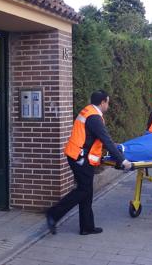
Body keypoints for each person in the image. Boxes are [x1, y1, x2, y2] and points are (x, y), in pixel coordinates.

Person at [46, 90, 132, 235]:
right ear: (103, 102)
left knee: (87, 191)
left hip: (77, 155)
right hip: (80, 158)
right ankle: (53, 213)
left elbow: (96, 139)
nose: (108, 106)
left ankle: (87, 227)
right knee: (83, 190)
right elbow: (106, 140)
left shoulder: (88, 111)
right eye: (108, 102)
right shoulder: (94, 117)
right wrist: (122, 161)